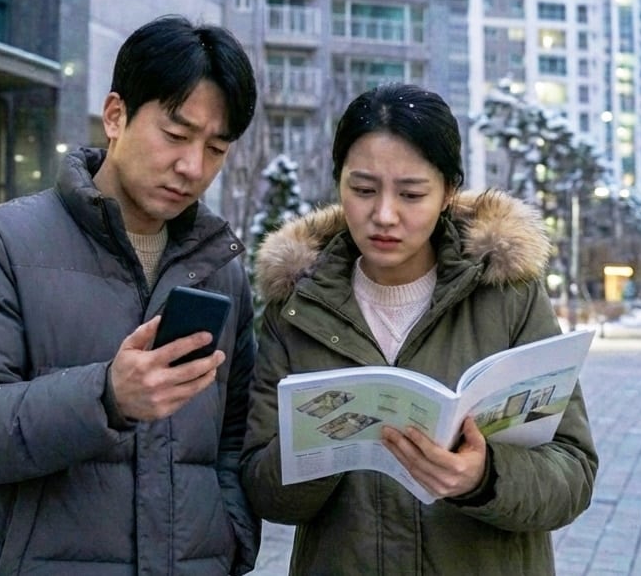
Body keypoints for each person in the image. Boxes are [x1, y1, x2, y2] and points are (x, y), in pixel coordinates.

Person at [0, 15, 260, 574]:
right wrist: (106, 397)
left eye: (216, 148)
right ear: (116, 115)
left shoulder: (220, 269)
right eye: (175, 135)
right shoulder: (1, 244)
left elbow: (232, 441)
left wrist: (230, 543)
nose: (192, 166)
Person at [242, 83, 598, 575]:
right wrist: (322, 447)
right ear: (338, 182)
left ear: (449, 191)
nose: (384, 215)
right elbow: (262, 489)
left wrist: (483, 475)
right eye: (363, 190)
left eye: (411, 194)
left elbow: (573, 471)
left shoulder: (506, 294)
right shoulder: (297, 307)